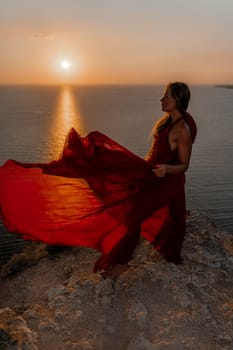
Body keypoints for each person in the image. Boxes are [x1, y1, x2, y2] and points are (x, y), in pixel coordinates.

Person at [0, 82, 196, 279]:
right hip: (153, 175)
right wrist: (138, 169)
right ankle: (120, 260)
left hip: (168, 181)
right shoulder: (166, 123)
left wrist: (166, 169)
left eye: (166, 97)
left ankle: (119, 263)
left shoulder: (182, 130)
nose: (161, 100)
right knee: (120, 192)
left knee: (132, 213)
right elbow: (157, 154)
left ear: (177, 100)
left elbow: (184, 165)